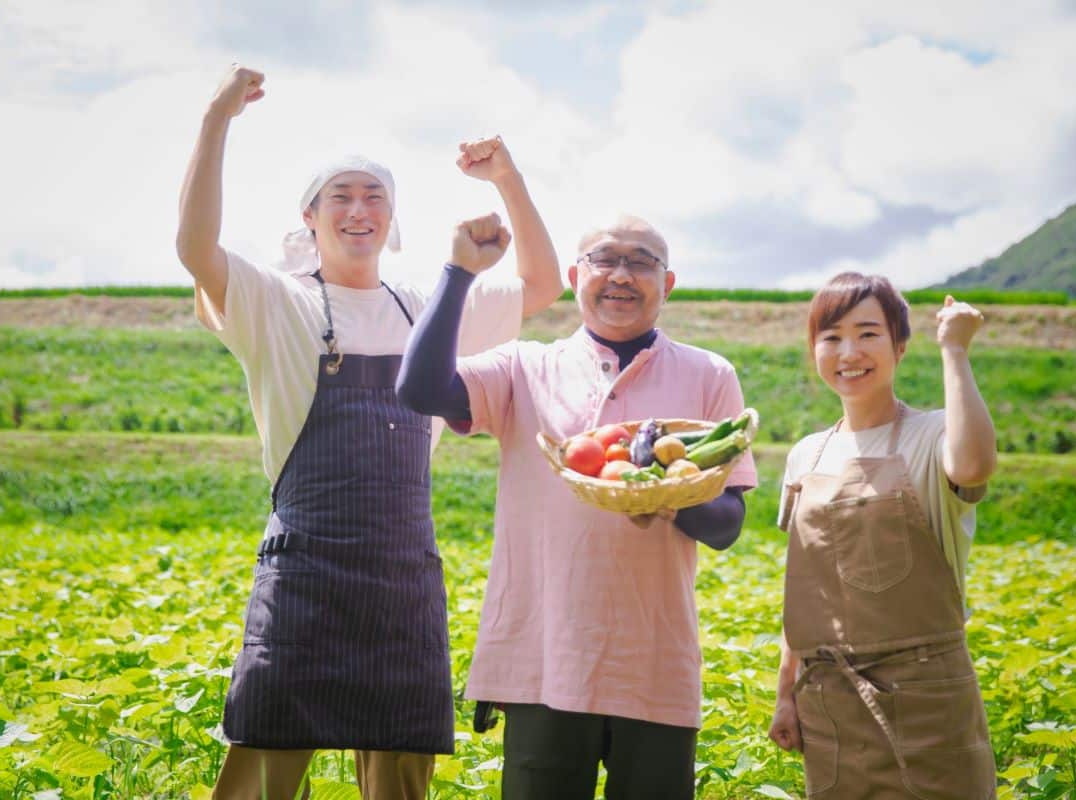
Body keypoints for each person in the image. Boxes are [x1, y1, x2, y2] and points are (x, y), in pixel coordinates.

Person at [175, 64, 563, 800]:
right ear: (311, 218)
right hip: (304, 574)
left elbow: (542, 285)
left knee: (399, 778)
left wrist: (506, 178)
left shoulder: (426, 307)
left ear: (392, 219)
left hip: (400, 579)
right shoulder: (276, 304)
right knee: (264, 767)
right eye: (340, 197)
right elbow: (197, 251)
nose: (359, 209)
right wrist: (217, 119)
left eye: (374, 196)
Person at [396, 214, 758, 799]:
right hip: (546, 662)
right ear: (575, 276)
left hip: (655, 665)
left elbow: (727, 526)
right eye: (604, 260)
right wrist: (460, 272)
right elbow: (419, 390)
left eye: (641, 261)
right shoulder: (523, 367)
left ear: (666, 284)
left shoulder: (709, 375)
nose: (621, 274)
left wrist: (667, 499)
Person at [767, 273, 998, 798]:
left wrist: (955, 352)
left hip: (927, 700)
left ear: (899, 346)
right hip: (830, 702)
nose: (849, 351)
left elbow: (975, 464)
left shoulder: (934, 433)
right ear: (814, 350)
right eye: (831, 336)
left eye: (868, 333)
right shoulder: (808, 454)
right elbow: (805, 586)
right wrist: (786, 692)